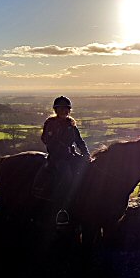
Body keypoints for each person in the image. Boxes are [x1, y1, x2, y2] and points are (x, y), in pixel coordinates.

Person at [32, 96, 90, 224]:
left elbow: (79, 141)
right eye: (60, 109)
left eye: (65, 109)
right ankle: (61, 208)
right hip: (57, 157)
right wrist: (59, 148)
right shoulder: (50, 123)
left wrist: (86, 154)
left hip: (71, 156)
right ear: (56, 110)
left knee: (88, 170)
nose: (63, 111)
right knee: (67, 176)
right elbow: (46, 139)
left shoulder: (71, 124)